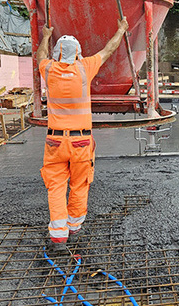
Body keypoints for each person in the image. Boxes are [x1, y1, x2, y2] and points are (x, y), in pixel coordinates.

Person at [37, 18, 129, 254]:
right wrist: (121, 29)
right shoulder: (85, 68)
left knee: (56, 187)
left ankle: (58, 236)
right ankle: (74, 227)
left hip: (55, 141)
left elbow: (40, 55)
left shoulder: (48, 68)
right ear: (78, 53)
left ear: (57, 54)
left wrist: (47, 35)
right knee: (79, 185)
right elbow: (109, 50)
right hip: (80, 142)